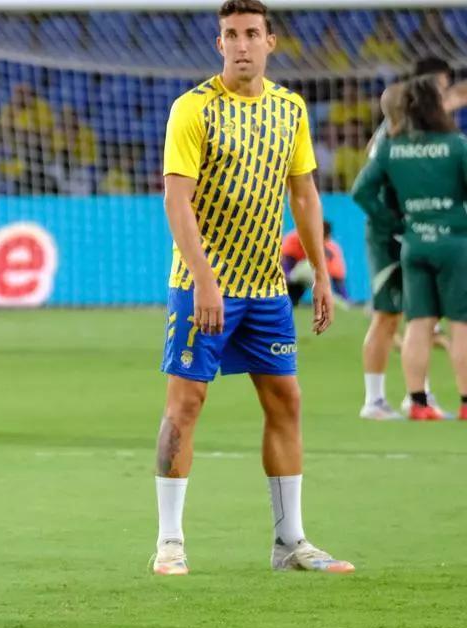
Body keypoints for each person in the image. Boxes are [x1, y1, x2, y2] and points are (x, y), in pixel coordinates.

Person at [154, 0, 353, 576]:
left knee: (286, 400)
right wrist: (206, 283)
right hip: (203, 284)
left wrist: (317, 272)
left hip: (267, 285)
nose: (241, 44)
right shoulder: (192, 110)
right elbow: (176, 199)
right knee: (186, 403)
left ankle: (290, 543)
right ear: (219, 44)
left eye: (251, 34)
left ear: (271, 41)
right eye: (230, 35)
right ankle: (170, 543)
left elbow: (305, 195)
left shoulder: (290, 109)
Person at [351, 75, 467, 422]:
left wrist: (393, 222)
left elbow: (361, 191)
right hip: (454, 242)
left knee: (418, 323)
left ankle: (418, 402)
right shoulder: (456, 145)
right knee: (461, 325)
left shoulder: (391, 147)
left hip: (413, 242)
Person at [281, 221, 349, 307]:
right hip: (287, 280)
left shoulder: (331, 249)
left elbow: (337, 278)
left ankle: (338, 303)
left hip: (308, 281)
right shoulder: (294, 239)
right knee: (307, 268)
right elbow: (285, 268)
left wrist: (345, 298)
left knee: (312, 271)